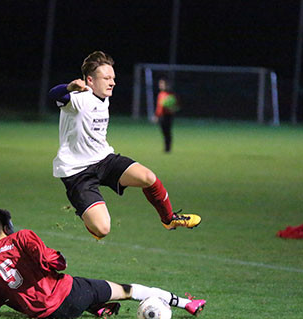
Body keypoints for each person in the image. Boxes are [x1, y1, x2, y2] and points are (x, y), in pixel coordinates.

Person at [48, 51, 201, 240]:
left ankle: (169, 219)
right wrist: (69, 86)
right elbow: (54, 94)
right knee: (102, 230)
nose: (112, 82)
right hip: (77, 171)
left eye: (113, 77)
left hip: (104, 159)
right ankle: (84, 211)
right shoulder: (78, 99)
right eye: (106, 78)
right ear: (90, 80)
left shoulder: (104, 96)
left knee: (148, 177)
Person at [0, 209, 206, 319]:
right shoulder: (21, 237)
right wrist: (60, 258)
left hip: (48, 316)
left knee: (79, 288)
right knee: (127, 290)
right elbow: (53, 262)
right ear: (7, 228)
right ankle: (187, 303)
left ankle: (99, 308)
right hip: (70, 297)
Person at [153, 78, 179, 153]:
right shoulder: (161, 94)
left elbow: (175, 106)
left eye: (162, 84)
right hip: (161, 116)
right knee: (164, 132)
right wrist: (157, 116)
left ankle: (168, 148)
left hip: (168, 116)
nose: (160, 85)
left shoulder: (170, 95)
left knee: (167, 132)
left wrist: (172, 108)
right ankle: (166, 148)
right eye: (160, 84)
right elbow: (159, 107)